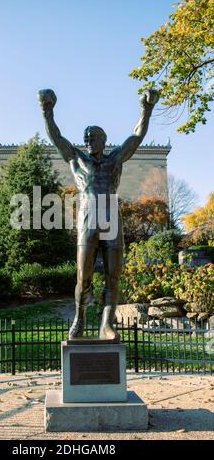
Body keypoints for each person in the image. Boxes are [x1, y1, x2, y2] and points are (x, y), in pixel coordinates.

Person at [38, 88, 159, 340]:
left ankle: (107, 324)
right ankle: (79, 319)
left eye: (92, 137)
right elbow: (57, 137)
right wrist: (47, 111)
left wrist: (146, 109)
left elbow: (137, 135)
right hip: (88, 219)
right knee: (83, 276)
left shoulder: (116, 160)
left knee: (113, 275)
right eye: (86, 138)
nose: (88, 141)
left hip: (112, 219)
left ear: (103, 140)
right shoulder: (77, 161)